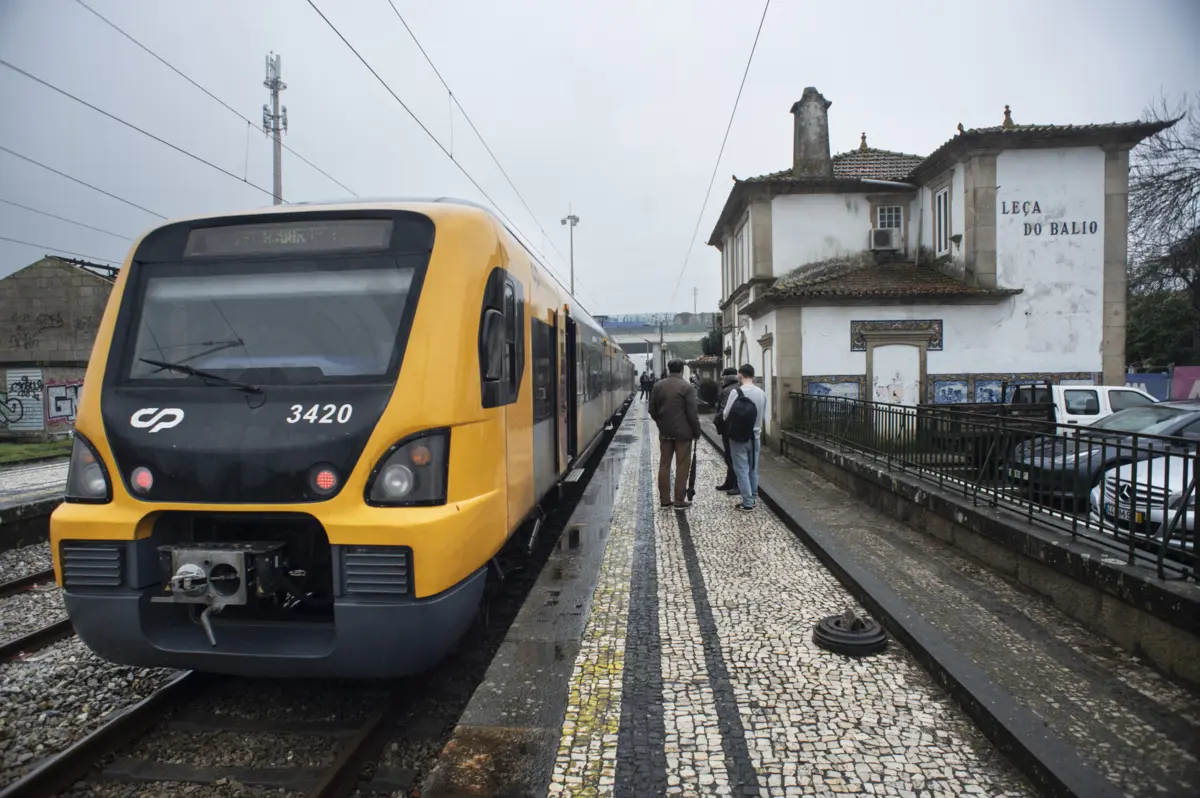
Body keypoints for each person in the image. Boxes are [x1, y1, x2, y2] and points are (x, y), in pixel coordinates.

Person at [649, 358, 702, 509]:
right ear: (681, 370)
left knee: (664, 464)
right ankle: (679, 500)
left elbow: (651, 409)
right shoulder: (686, 387)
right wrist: (696, 431)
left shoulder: (658, 386)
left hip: (665, 432)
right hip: (684, 434)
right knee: (682, 465)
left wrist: (661, 422)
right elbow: (692, 413)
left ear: (668, 369)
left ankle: (665, 500)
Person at [722, 363, 767, 511]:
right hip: (755, 437)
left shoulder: (736, 392)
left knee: (741, 469)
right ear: (753, 376)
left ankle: (747, 503)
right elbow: (762, 415)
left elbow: (725, 414)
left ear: (740, 375)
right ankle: (753, 497)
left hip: (738, 437)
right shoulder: (762, 393)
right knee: (753, 468)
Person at [712, 367, 740, 493]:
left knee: (730, 456)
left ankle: (734, 484)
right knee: (732, 456)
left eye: (723, 376)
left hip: (728, 428)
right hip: (736, 427)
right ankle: (730, 482)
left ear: (726, 377)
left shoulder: (727, 390)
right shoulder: (738, 387)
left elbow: (724, 410)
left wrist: (716, 420)